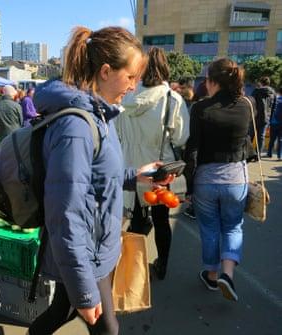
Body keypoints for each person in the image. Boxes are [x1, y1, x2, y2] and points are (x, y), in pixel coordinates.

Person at [27, 26, 174, 335]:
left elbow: (96, 178)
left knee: (61, 310)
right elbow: (66, 213)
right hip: (86, 251)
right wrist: (83, 289)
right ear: (106, 71)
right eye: (131, 77)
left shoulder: (98, 117)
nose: (134, 87)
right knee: (107, 329)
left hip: (94, 246)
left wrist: (137, 177)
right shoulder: (76, 127)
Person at [115, 47, 189, 280]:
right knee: (161, 220)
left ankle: (132, 271)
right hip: (159, 171)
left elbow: (116, 133)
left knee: (134, 220)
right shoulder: (173, 99)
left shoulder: (126, 97)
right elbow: (181, 137)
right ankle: (162, 264)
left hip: (131, 169)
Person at [184, 58, 250, 302]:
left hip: (206, 179)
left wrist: (189, 186)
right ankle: (228, 274)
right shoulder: (247, 104)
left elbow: (192, 150)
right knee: (233, 226)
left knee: (210, 228)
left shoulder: (200, 108)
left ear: (212, 82)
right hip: (236, 179)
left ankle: (211, 274)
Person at [251, 76, 277, 153]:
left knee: (250, 136)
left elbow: (251, 103)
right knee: (261, 137)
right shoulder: (273, 93)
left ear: (261, 82)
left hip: (254, 117)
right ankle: (258, 155)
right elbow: (274, 107)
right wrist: (270, 118)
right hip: (266, 118)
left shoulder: (256, 91)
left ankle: (247, 154)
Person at [267, 86, 282, 160]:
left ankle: (269, 153)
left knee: (272, 139)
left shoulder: (275, 99)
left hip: (273, 122)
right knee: (280, 139)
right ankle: (280, 156)